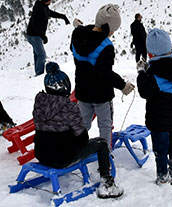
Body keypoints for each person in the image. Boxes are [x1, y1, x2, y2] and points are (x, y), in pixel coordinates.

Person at [33, 62, 123, 199]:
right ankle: (107, 183)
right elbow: (82, 138)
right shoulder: (69, 107)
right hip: (63, 158)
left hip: (41, 154)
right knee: (102, 143)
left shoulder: (39, 101)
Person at [71, 4, 135, 145]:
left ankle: (76, 149)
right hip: (101, 95)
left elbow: (85, 35)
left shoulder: (77, 36)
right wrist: (123, 85)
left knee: (82, 124)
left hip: (82, 91)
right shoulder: (106, 46)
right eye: (113, 29)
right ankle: (105, 156)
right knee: (105, 125)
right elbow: (105, 73)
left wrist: (79, 27)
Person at [137, 28, 172, 185]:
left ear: (152, 53)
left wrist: (141, 72)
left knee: (160, 149)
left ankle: (162, 176)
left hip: (158, 121)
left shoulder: (156, 73)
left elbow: (144, 91)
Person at [26, 0, 69, 77]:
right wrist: (43, 36)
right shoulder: (39, 9)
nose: (51, 0)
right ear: (47, 0)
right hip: (34, 36)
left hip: (34, 35)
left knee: (37, 53)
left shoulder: (43, 6)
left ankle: (38, 71)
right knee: (42, 55)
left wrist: (63, 17)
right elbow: (35, 24)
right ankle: (39, 74)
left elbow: (50, 13)